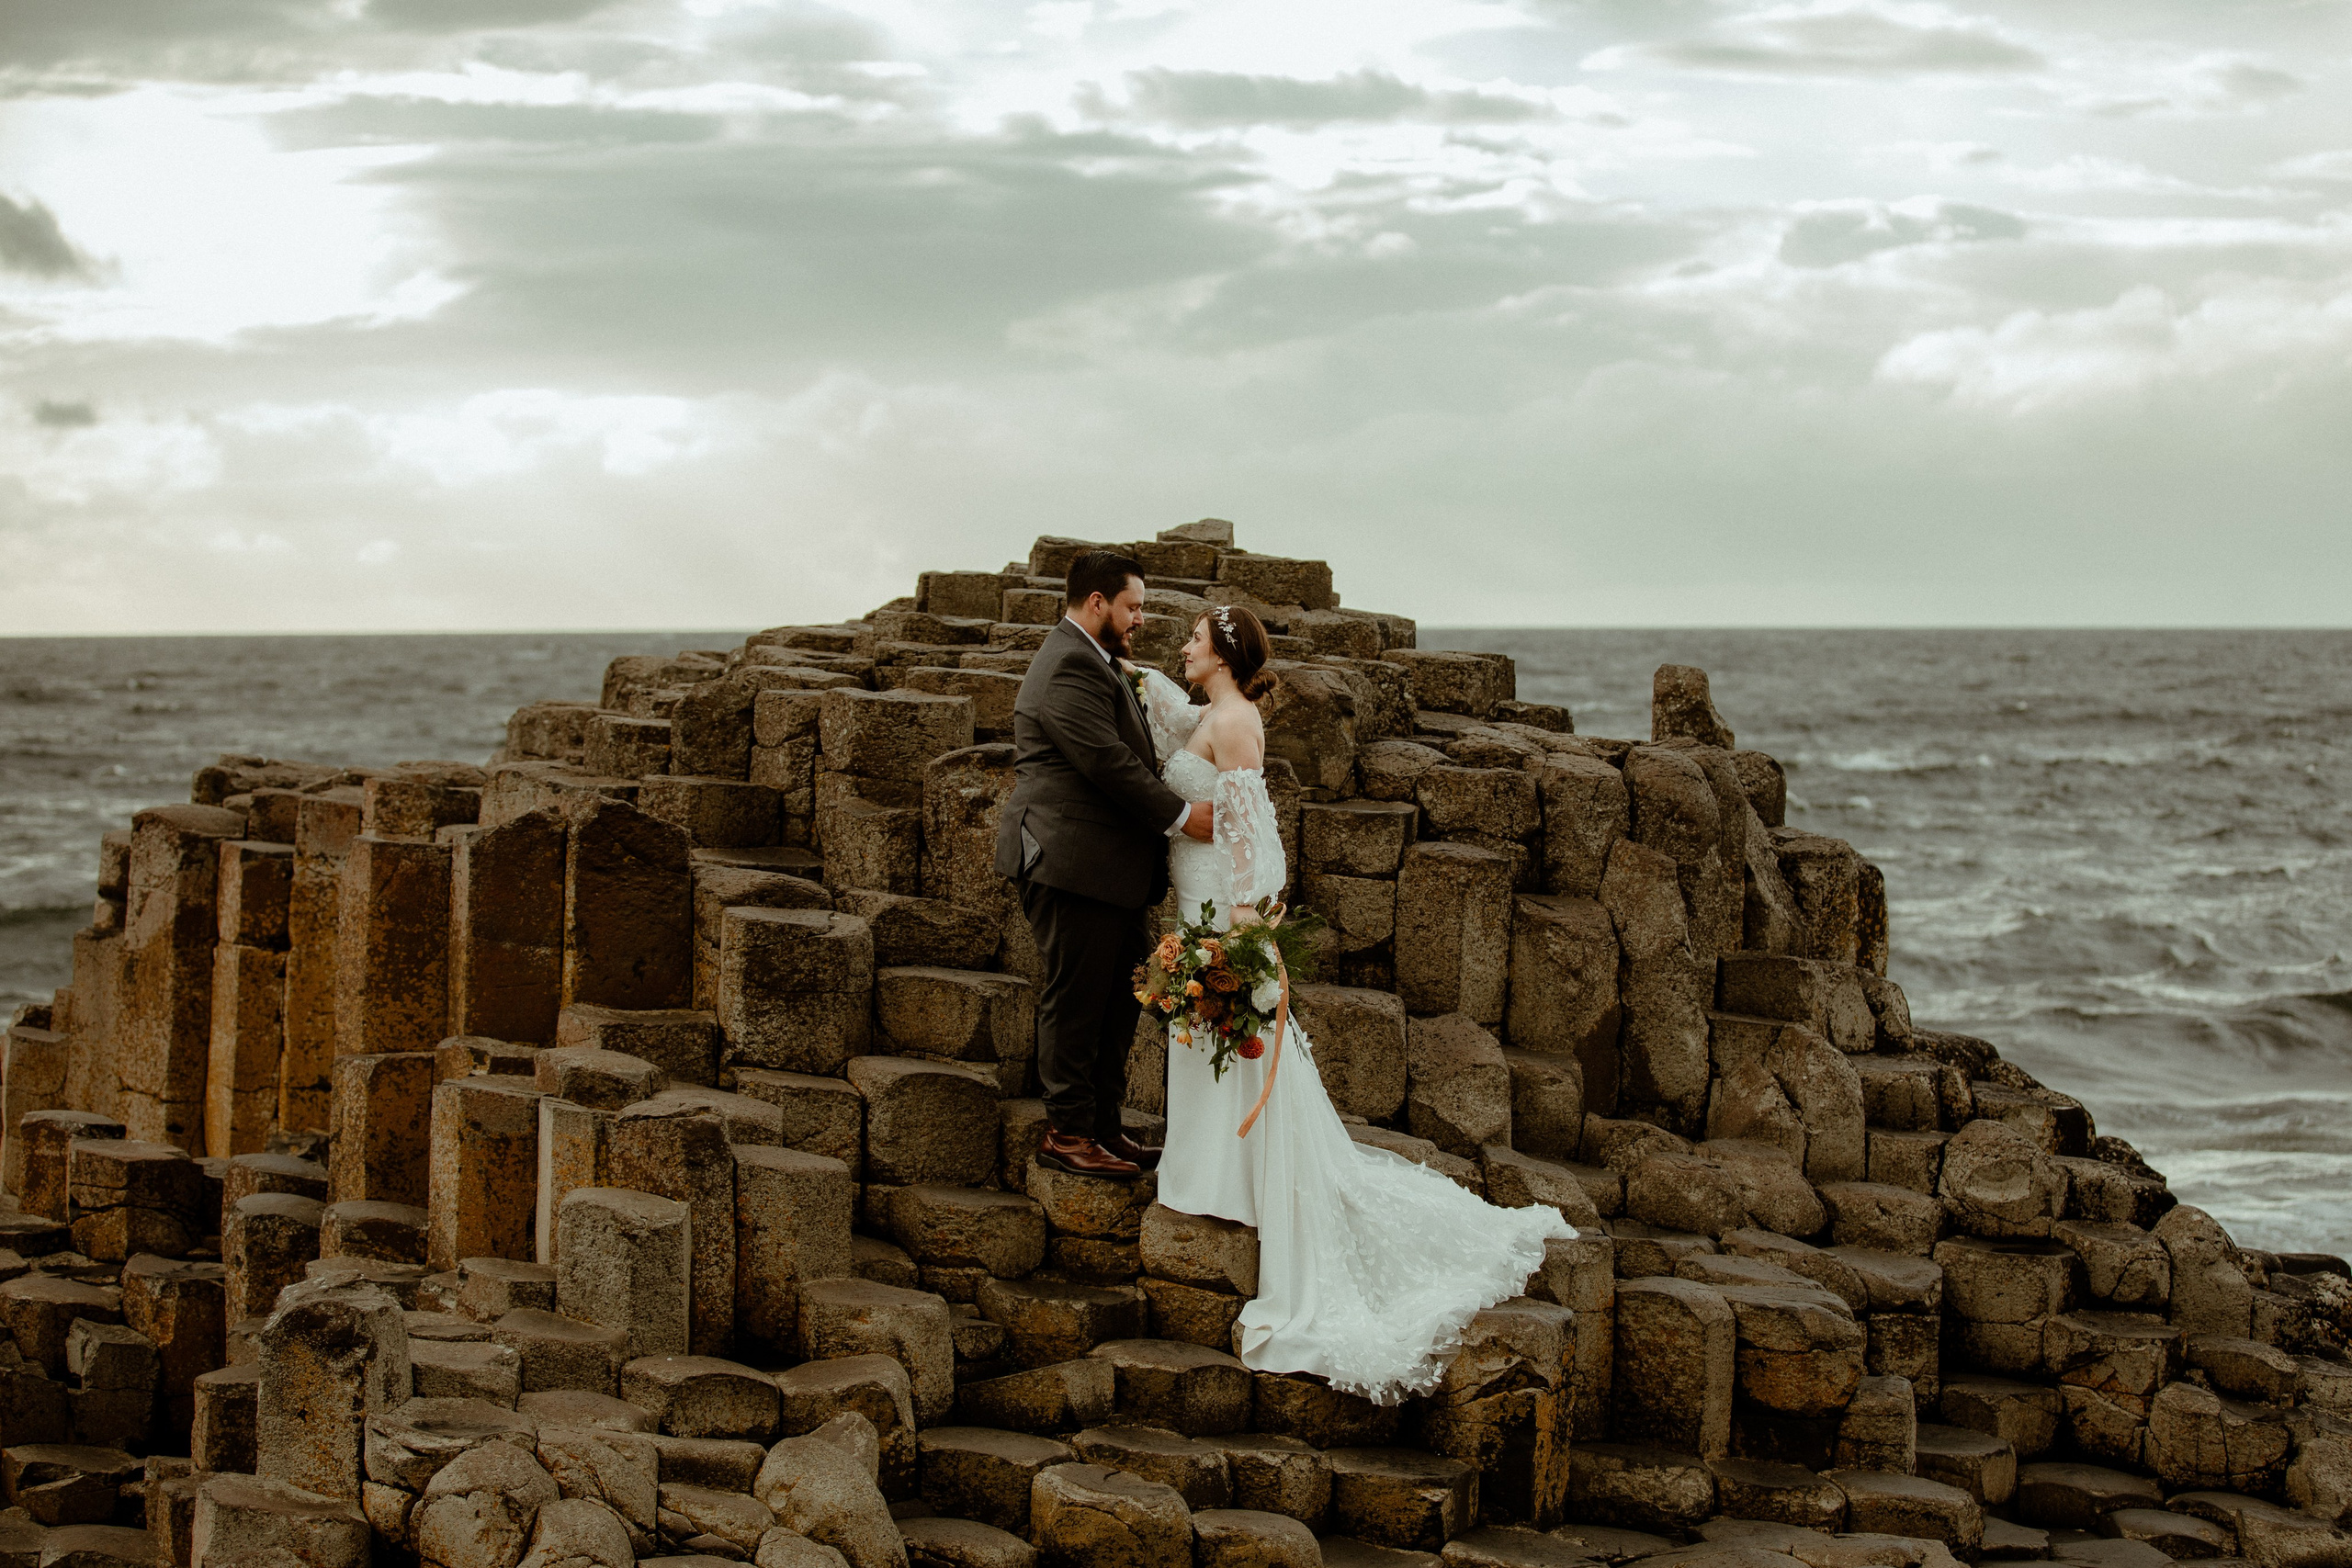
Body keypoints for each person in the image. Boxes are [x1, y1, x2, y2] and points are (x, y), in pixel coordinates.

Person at [1128, 604, 1575, 1404]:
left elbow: (1249, 835)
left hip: (1220, 905)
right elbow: (1177, 716)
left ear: (1223, 653)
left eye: (1194, 639)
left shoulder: (1235, 723)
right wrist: (1132, 676)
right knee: (1209, 1036)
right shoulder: (1214, 713)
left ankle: (1231, 1183)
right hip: (1193, 897)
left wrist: (1240, 934)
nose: (1183, 647)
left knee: (1226, 1030)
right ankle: (1209, 1176)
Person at [994, 549, 1213, 1180]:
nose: (1140, 618)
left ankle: (1104, 1127)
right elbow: (1104, 759)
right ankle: (1066, 1133)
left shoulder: (1097, 659)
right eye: (1132, 606)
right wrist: (1181, 815)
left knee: (1120, 1001)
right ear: (1097, 603)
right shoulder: (1068, 663)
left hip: (1105, 871)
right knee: (1077, 1001)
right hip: (1068, 863)